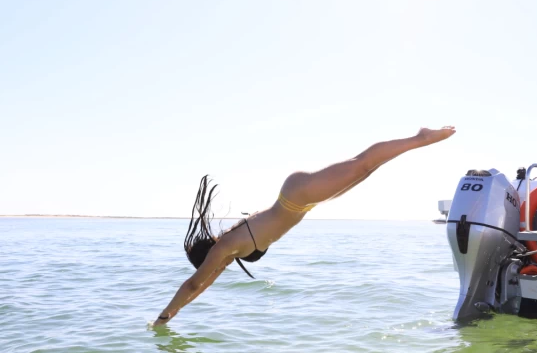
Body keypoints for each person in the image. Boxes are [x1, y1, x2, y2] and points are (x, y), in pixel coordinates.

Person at [153, 126, 456, 326]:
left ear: (208, 257)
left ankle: (420, 138)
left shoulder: (224, 248)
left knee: (361, 163)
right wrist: (175, 314)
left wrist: (163, 316)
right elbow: (202, 285)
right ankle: (416, 142)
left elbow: (194, 283)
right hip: (302, 201)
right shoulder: (227, 252)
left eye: (208, 266)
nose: (212, 271)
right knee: (367, 171)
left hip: (295, 196)